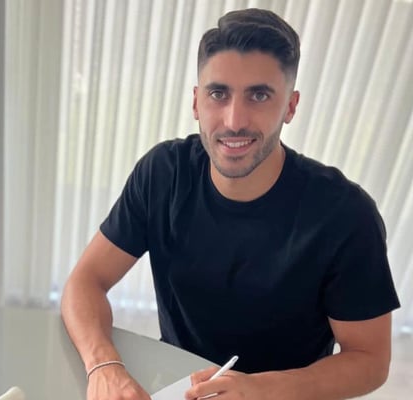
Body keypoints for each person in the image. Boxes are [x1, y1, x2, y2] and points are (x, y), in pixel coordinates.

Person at [61, 8, 400, 400]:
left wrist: (260, 389)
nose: (234, 120)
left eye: (259, 95)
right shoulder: (163, 174)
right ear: (196, 101)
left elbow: (369, 359)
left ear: (290, 106)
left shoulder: (346, 216)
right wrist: (104, 366)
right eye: (218, 94)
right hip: (178, 387)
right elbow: (85, 282)